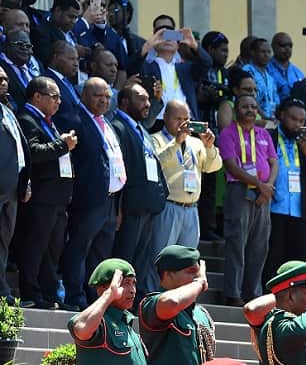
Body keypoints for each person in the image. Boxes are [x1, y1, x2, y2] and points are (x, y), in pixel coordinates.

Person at [61, 77, 125, 311]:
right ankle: (75, 297)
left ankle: (93, 298)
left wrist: (117, 205)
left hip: (109, 200)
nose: (104, 100)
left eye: (108, 97)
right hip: (87, 199)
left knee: (100, 254)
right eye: (99, 95)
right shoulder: (74, 119)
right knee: (79, 249)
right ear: (85, 95)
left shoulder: (105, 123)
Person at [16, 75, 76, 308]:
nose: (59, 102)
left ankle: (50, 295)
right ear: (37, 96)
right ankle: (30, 294)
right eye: (54, 97)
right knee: (35, 247)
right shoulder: (27, 118)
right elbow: (34, 151)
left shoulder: (48, 121)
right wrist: (63, 145)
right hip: (41, 197)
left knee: (53, 250)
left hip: (58, 199)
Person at [219, 94, 277, 305]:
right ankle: (233, 293)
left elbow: (274, 162)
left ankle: (253, 293)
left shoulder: (264, 134)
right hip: (239, 191)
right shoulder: (228, 133)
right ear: (236, 110)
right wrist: (260, 185)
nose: (250, 110)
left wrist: (267, 186)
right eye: (245, 106)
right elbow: (232, 166)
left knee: (259, 246)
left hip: (263, 195)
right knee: (237, 243)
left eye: (254, 107)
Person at [112, 83, 168, 294]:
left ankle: (133, 302)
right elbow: (120, 169)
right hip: (130, 207)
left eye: (148, 99)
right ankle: (117, 300)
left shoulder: (140, 128)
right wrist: (118, 207)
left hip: (148, 204)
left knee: (141, 262)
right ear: (125, 101)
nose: (147, 104)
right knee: (124, 259)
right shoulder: (118, 127)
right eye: (141, 99)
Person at [151, 100, 222, 254]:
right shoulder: (155, 139)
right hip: (168, 207)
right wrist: (176, 142)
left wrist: (209, 147)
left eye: (186, 120)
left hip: (191, 209)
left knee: (186, 261)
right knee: (160, 258)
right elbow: (157, 163)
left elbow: (213, 167)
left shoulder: (196, 143)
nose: (183, 124)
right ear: (165, 117)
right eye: (178, 119)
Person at [265, 98, 306, 281]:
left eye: (301, 121)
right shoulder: (269, 136)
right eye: (293, 119)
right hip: (273, 209)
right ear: (282, 115)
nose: (297, 125)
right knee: (272, 260)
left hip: (300, 212)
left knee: (297, 264)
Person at [0, 65, 29, 304]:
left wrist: (25, 181)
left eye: (6, 79)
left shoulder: (8, 109)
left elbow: (20, 150)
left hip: (12, 190)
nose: (3, 82)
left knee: (3, 242)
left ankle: (2, 289)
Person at [243, 37, 279, 121]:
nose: (266, 55)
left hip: (270, 120)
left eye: (269, 52)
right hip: (254, 118)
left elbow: (276, 102)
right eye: (263, 52)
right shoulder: (248, 70)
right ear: (253, 53)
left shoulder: (270, 77)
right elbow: (250, 97)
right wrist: (264, 117)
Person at [267, 32, 305, 102]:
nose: (287, 49)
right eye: (283, 45)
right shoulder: (266, 69)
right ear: (273, 46)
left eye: (290, 46)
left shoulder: (298, 73)